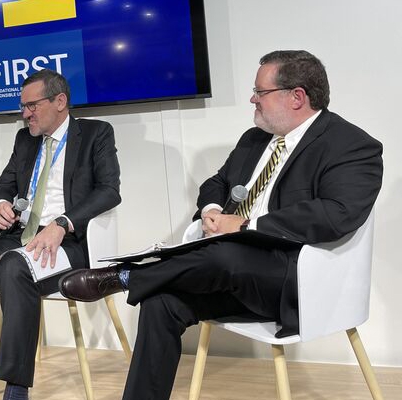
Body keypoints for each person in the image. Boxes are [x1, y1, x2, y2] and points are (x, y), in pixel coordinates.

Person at [58, 50, 383, 399]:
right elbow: (216, 184)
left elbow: (336, 214)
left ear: (297, 97)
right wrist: (212, 209)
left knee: (226, 254)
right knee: (160, 300)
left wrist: (244, 225)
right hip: (226, 272)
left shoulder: (351, 145)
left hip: (296, 281)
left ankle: (129, 276)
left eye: (260, 92)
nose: (252, 99)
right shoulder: (254, 140)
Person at [0, 69, 121, 400]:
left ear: (60, 101)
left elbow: (109, 191)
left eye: (32, 106)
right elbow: (3, 185)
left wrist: (63, 223)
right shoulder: (25, 140)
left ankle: (15, 390)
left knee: (13, 267)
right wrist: (1, 204)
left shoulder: (96, 134)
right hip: (20, 238)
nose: (25, 114)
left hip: (68, 244)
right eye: (23, 107)